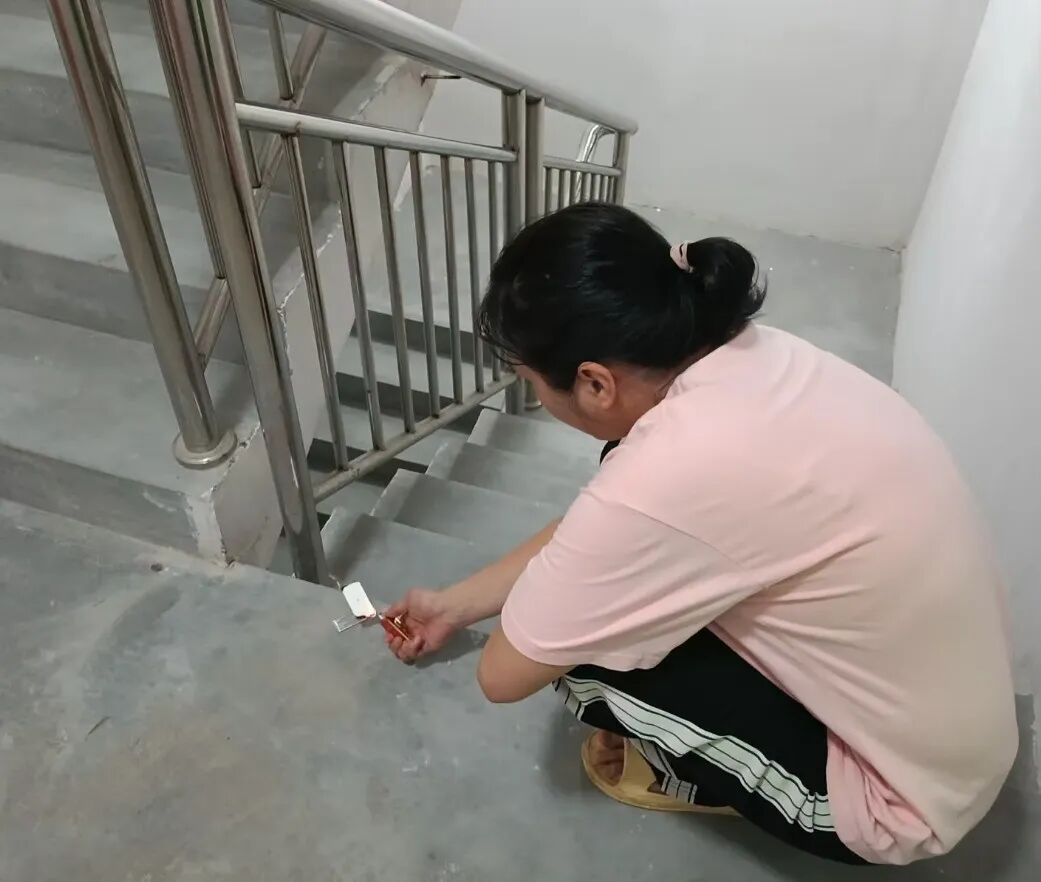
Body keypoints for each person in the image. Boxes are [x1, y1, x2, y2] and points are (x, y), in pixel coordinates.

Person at [383, 203, 1017, 865]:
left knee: (583, 665)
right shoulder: (755, 356)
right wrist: (454, 605)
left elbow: (503, 674)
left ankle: (691, 775)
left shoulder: (668, 472)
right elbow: (610, 531)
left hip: (896, 799)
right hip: (955, 720)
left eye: (529, 380)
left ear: (594, 383)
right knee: (607, 547)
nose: (534, 395)